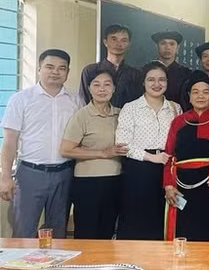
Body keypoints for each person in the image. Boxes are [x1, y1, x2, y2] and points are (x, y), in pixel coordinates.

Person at [0, 49, 81, 238]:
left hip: (64, 174)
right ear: (39, 69)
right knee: (24, 232)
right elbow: (10, 142)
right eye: (49, 67)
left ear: (67, 73)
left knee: (57, 233)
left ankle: (53, 268)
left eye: (62, 68)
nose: (55, 72)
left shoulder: (75, 101)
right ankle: (23, 269)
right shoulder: (21, 99)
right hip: (30, 174)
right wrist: (5, 177)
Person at [115, 61, 182, 240]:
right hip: (139, 170)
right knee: (137, 219)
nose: (157, 84)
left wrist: (165, 160)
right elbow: (122, 144)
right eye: (151, 79)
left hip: (167, 169)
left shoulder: (175, 108)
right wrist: (152, 158)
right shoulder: (131, 108)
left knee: (164, 217)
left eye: (162, 79)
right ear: (143, 82)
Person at [60, 69, 127, 239]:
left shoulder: (121, 114)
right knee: (87, 232)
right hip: (87, 183)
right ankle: (85, 266)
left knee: (108, 231)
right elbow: (66, 150)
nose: (102, 89)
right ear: (89, 88)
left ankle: (104, 265)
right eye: (96, 85)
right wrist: (103, 153)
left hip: (116, 180)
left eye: (107, 85)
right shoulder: (82, 115)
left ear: (114, 88)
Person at [163, 71, 209, 242]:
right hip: (183, 184)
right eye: (195, 92)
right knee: (185, 230)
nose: (200, 96)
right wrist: (168, 185)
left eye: (206, 92)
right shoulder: (178, 121)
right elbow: (170, 156)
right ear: (189, 96)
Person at [80, 24, 142, 108]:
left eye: (124, 40)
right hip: (96, 119)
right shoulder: (90, 71)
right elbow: (84, 101)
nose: (119, 44)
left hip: (127, 119)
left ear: (129, 44)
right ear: (105, 42)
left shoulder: (136, 74)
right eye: (114, 39)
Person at [152, 31, 193, 104]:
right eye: (163, 43)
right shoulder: (147, 72)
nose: (167, 47)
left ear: (178, 48)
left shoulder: (187, 75)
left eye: (172, 44)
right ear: (156, 46)